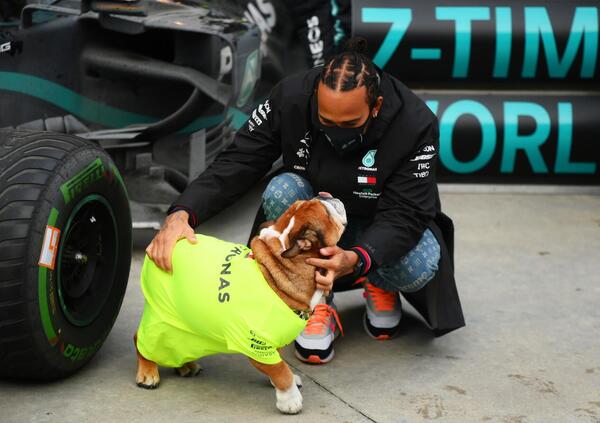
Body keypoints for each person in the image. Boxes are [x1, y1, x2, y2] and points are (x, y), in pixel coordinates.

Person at [146, 38, 465, 365]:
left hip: (379, 222)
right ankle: (315, 300)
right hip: (316, 218)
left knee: (422, 261)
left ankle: (378, 281)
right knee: (281, 190)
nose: (337, 132)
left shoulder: (415, 121)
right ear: (315, 99)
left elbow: (407, 212)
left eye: (350, 124)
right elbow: (240, 160)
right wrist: (182, 213)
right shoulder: (291, 96)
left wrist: (360, 257)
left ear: (377, 106)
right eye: (327, 122)